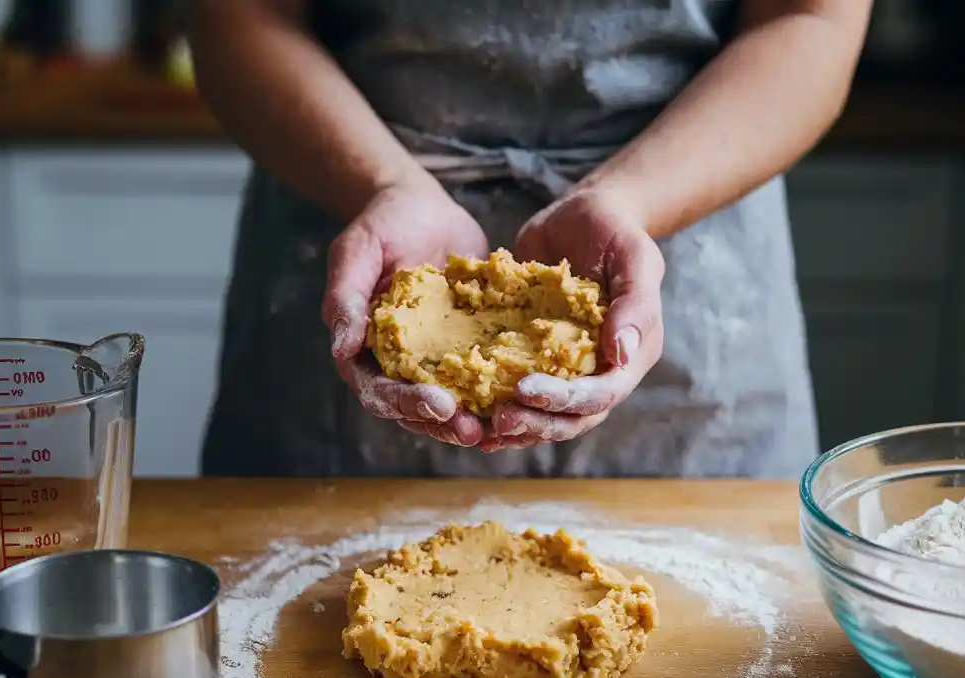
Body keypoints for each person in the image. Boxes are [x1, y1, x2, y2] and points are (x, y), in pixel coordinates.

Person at [189, 0, 872, 478]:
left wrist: (628, 198)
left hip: (688, 233)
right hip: (352, 214)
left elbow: (809, 20)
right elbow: (238, 16)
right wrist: (380, 184)